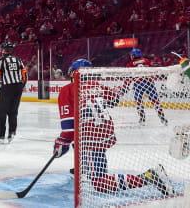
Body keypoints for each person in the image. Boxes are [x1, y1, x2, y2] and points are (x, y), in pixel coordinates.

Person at [53, 59, 174, 196]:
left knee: (99, 184)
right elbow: (115, 100)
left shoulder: (67, 90)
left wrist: (60, 145)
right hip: (104, 133)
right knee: (79, 139)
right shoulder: (99, 86)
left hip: (89, 139)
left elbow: (69, 130)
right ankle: (83, 167)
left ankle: (148, 177)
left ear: (72, 74)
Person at [0, 42, 26, 143]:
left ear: (3, 50)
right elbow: (24, 74)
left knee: (1, 112)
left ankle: (0, 134)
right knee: (13, 112)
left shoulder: (1, 60)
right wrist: (21, 86)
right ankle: (12, 133)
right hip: (18, 87)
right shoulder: (18, 60)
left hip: (7, 87)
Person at [120, 48, 167, 126]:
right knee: (155, 101)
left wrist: (125, 87)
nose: (131, 56)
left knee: (138, 102)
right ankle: (162, 118)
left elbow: (128, 78)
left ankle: (142, 118)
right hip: (149, 83)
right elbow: (152, 71)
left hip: (138, 84)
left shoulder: (130, 64)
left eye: (132, 55)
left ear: (134, 55)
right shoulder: (147, 61)